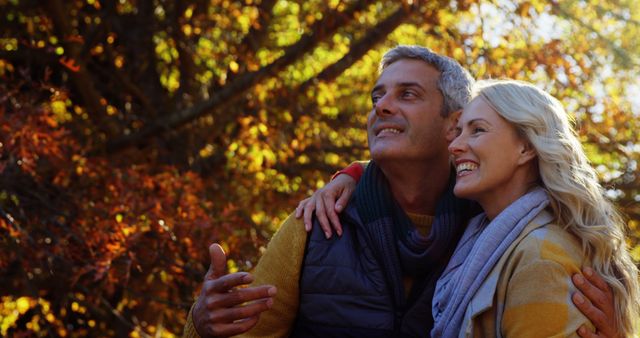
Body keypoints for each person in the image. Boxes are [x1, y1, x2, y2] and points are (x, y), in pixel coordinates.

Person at [183, 46, 619, 337]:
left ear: (453, 125)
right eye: (378, 95)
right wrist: (201, 326)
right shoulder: (319, 222)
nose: (381, 106)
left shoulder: (493, 226)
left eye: (407, 94)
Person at [301, 80, 640, 337]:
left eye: (477, 131)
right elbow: (410, 168)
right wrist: (353, 175)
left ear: (526, 148)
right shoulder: (482, 234)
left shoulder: (541, 257)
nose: (456, 145)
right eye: (459, 131)